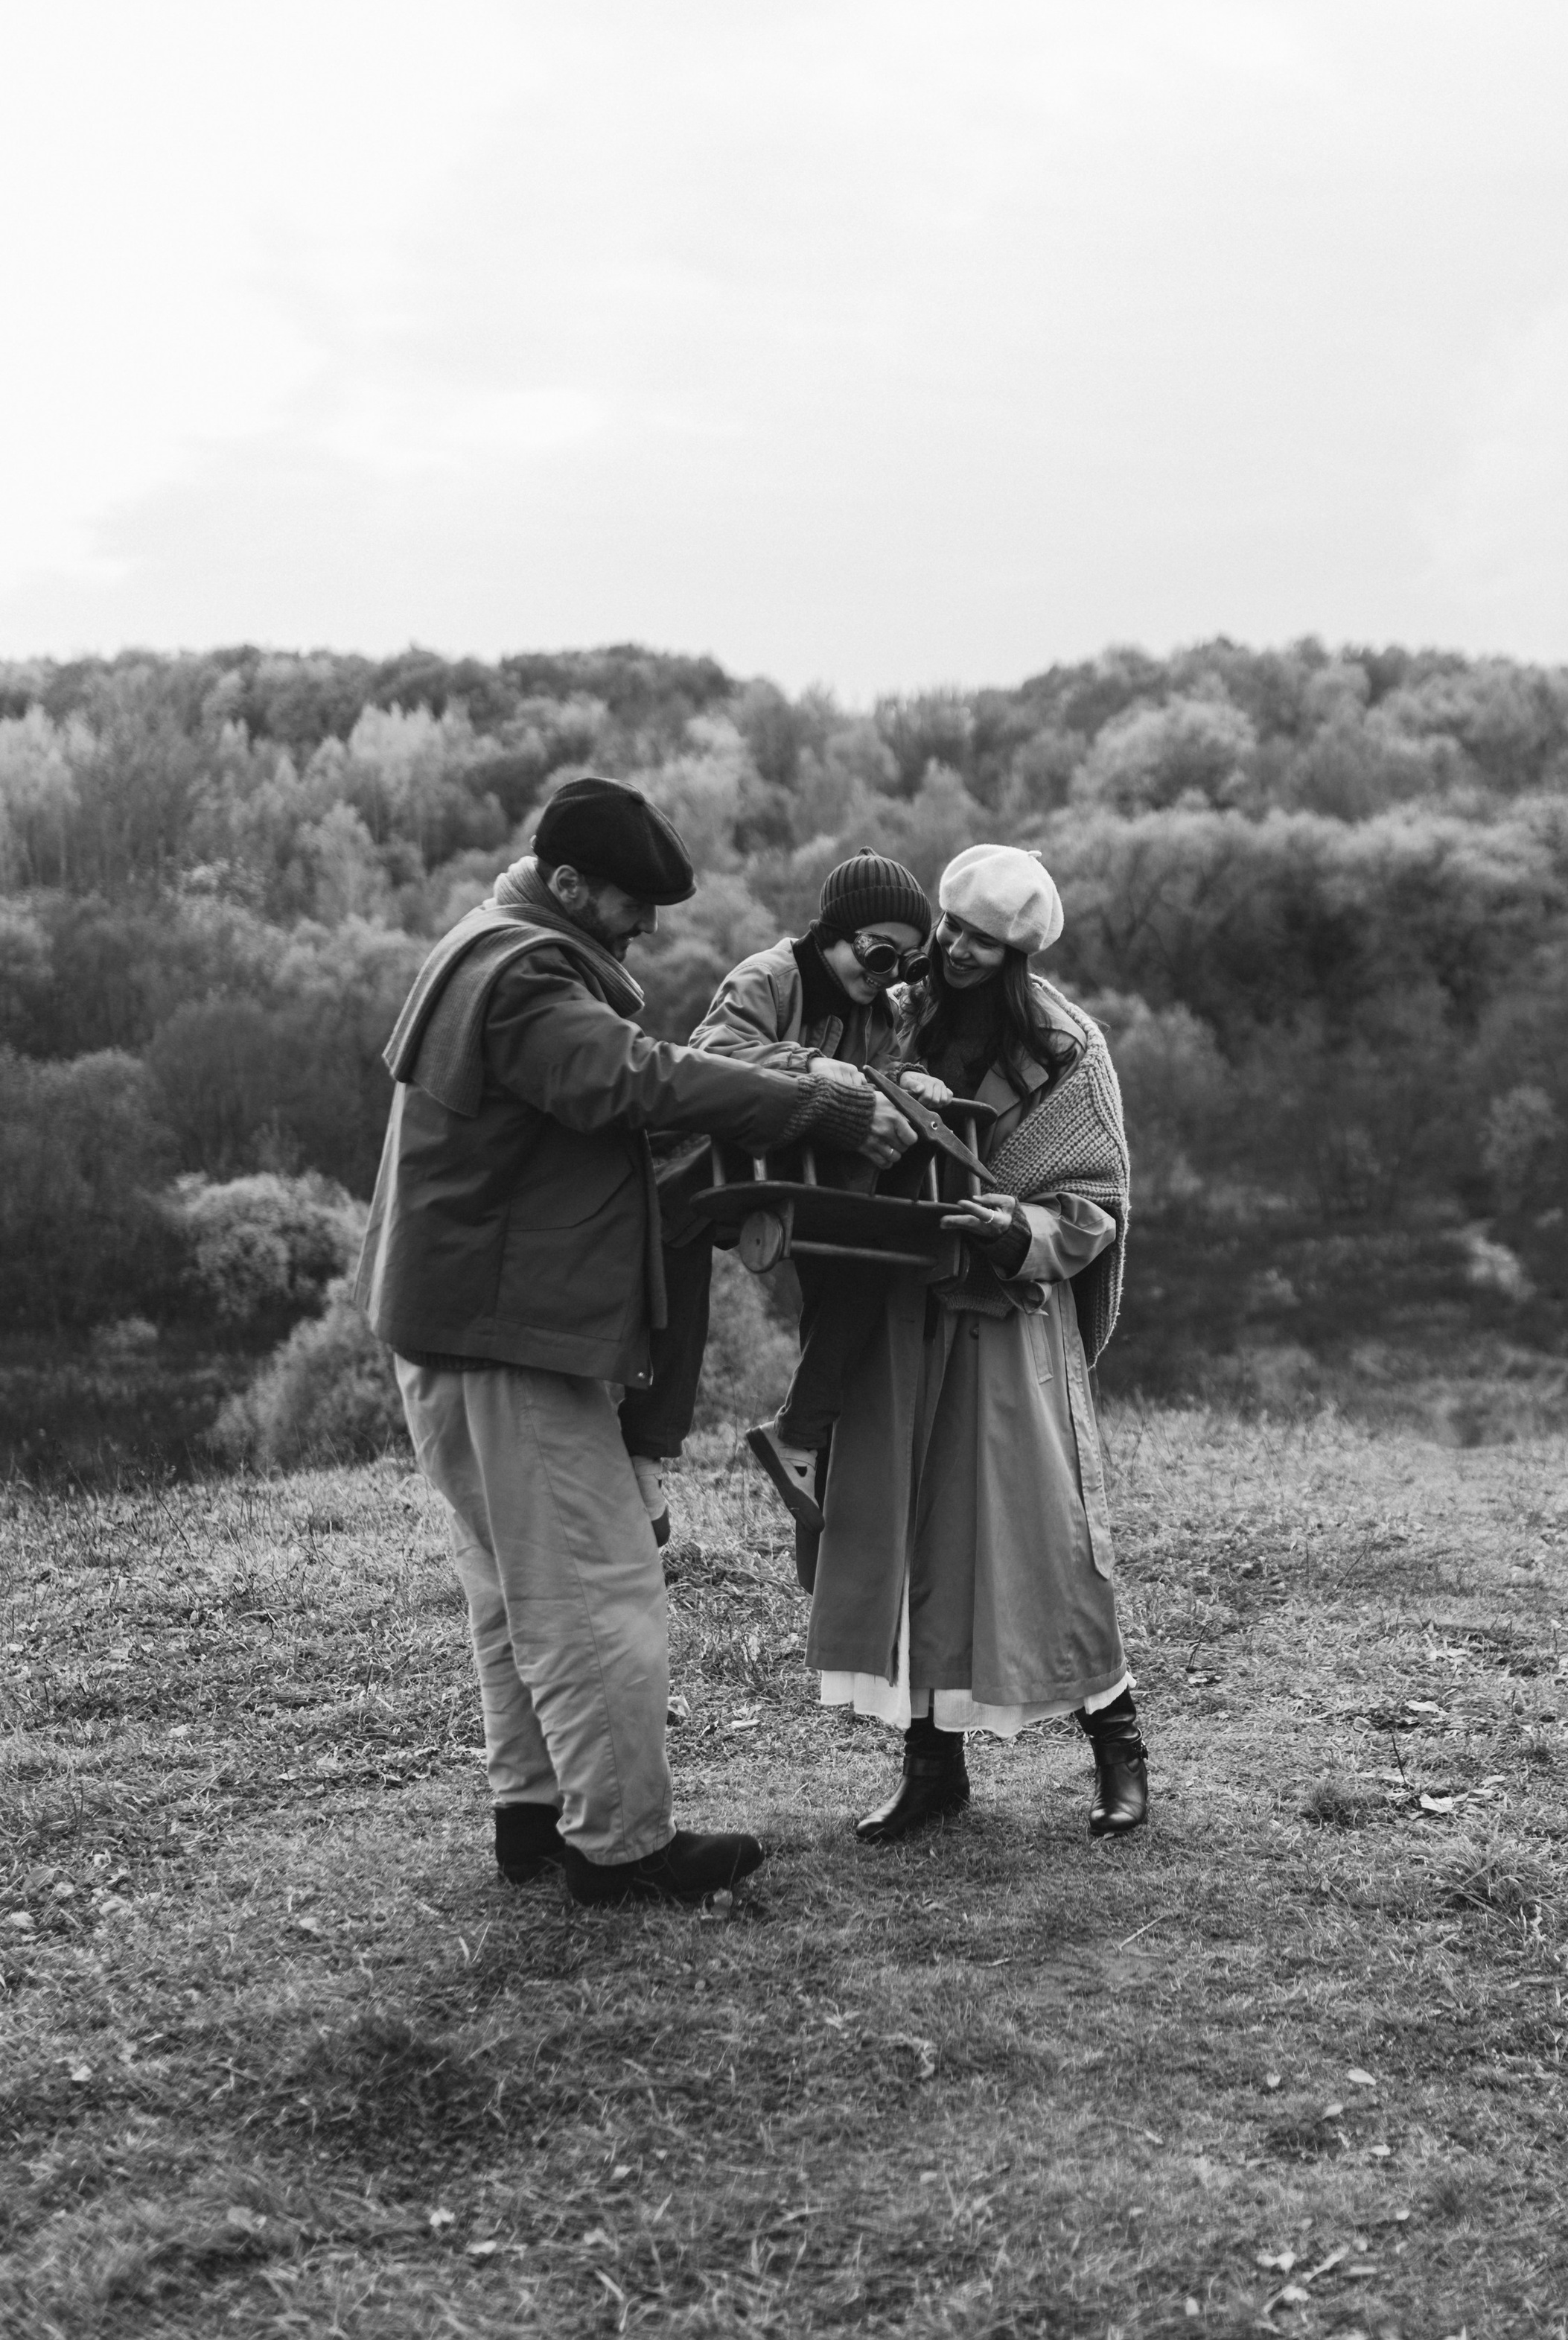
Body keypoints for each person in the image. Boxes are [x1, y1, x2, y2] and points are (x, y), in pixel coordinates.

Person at [353, 777, 915, 1908]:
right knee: (599, 1592)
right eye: (632, 904)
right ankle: (622, 1846)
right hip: (503, 1341)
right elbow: (631, 1077)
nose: (649, 929)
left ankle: (534, 1818)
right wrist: (815, 1105)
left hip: (465, 1325)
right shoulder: (522, 974)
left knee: (517, 1592)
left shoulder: (494, 944)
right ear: (567, 885)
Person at [803, 843, 1151, 1843]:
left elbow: (1098, 1204)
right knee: (904, 1532)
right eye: (951, 929)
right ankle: (931, 1770)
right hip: (900, 1313)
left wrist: (1016, 1232)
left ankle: (1117, 1746)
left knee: (1046, 1540)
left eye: (981, 943)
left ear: (1017, 954)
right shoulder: (891, 1010)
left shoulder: (1068, 1049)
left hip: (1008, 1323)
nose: (955, 951)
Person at [616, 850, 944, 1530]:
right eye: (878, 954)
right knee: (678, 1250)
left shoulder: (878, 1015)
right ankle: (646, 1445)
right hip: (719, 1156)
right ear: (833, 933)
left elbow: (878, 1075)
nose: (885, 978)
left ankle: (803, 1430)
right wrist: (818, 1068)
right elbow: (716, 1052)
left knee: (870, 1260)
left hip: (807, 1173)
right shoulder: (772, 976)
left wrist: (906, 1082)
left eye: (905, 966)